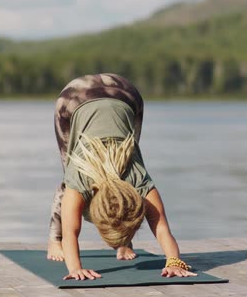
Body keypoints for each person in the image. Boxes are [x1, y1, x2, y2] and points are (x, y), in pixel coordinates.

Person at [46, 73, 196, 281]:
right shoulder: (80, 175)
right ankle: (54, 239)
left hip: (125, 94)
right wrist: (75, 268)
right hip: (77, 97)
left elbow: (161, 226)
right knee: (67, 173)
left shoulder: (136, 178)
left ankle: (124, 244)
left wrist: (174, 262)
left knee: (130, 146)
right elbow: (70, 232)